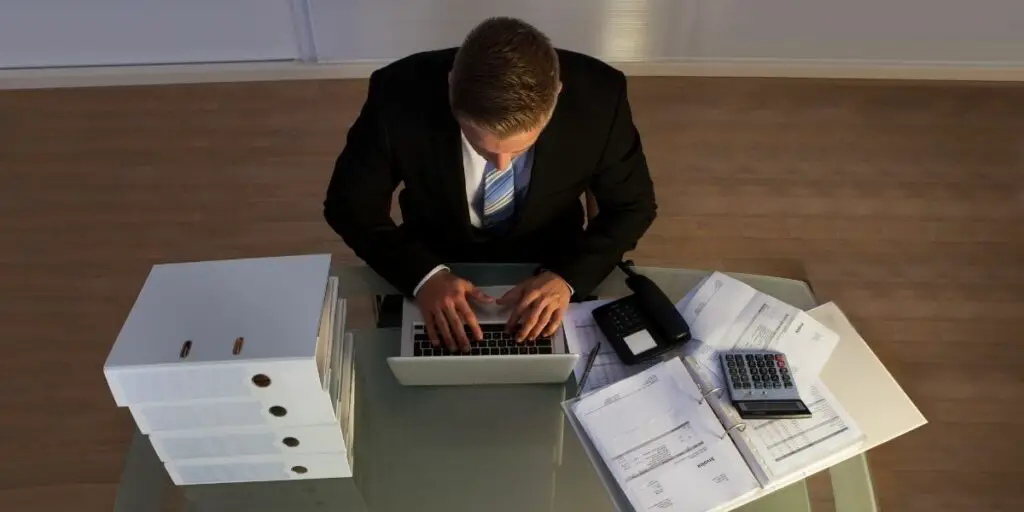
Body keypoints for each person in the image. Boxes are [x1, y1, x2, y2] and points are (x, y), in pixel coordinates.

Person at [324, 17, 656, 353]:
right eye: (481, 146)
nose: (501, 164)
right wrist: (422, 277)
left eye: (520, 148)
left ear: (556, 94)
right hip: (431, 257)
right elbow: (349, 206)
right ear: (451, 84)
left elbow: (632, 206)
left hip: (553, 259)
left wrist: (567, 279)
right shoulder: (395, 94)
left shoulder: (602, 97)